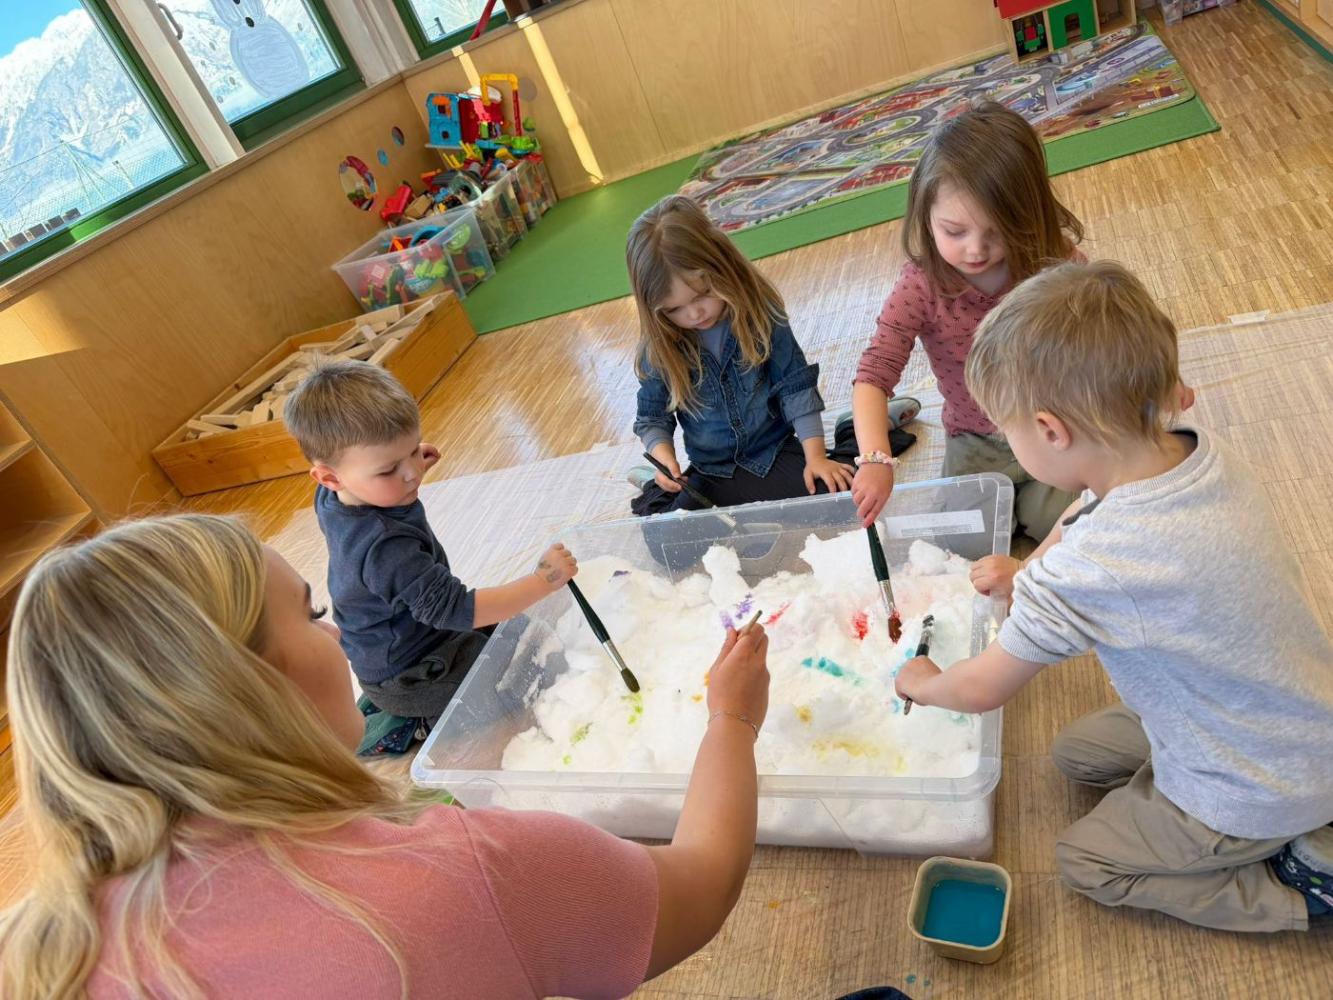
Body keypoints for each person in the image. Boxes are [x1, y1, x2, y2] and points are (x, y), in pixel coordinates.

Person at [0, 514, 772, 997]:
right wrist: (731, 719)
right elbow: (699, 886)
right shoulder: (464, 873)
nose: (336, 633)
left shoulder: (33, 949)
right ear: (252, 686)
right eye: (311, 614)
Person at [895, 261, 1333, 933]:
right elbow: (1085, 510)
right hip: (1299, 721)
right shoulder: (1192, 451)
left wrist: (923, 682)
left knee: (1086, 861)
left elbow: (981, 688)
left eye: (1007, 432)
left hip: (1255, 790)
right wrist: (1024, 574)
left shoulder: (1098, 567)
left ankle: (1302, 892)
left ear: (1049, 431)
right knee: (1077, 754)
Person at [283, 360, 576, 728]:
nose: (412, 473)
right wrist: (543, 581)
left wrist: (399, 462)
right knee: (513, 684)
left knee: (521, 633)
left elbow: (377, 470)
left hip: (412, 632)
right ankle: (419, 723)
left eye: (411, 451)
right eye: (388, 469)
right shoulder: (386, 549)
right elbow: (457, 608)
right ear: (330, 478)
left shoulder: (337, 495)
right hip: (406, 673)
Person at [849, 99, 1087, 537]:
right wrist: (876, 459)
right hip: (975, 441)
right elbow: (873, 374)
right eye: (954, 231)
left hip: (1052, 428)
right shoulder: (920, 286)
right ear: (926, 218)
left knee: (1072, 530)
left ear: (1028, 215)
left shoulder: (1054, 262)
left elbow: (1106, 331)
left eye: (997, 232)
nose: (975, 250)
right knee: (966, 538)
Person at [626, 194, 917, 516]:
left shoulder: (762, 317)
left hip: (773, 453)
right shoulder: (659, 347)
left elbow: (795, 387)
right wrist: (663, 458)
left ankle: (854, 429)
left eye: (703, 294)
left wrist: (816, 458)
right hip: (712, 472)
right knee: (666, 532)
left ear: (724, 267)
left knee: (843, 497)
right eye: (673, 309)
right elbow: (652, 417)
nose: (694, 314)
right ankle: (654, 482)